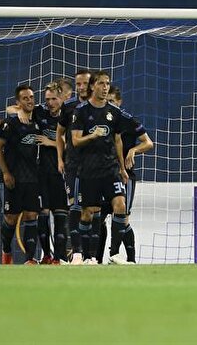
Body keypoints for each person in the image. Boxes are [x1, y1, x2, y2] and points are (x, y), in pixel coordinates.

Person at [71, 71, 130, 265]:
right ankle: (86, 256)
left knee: (120, 205)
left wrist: (122, 168)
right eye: (102, 84)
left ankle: (114, 254)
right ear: (93, 86)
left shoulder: (115, 112)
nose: (105, 87)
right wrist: (92, 136)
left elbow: (118, 140)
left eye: (107, 84)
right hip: (89, 170)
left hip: (110, 169)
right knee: (89, 213)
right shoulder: (81, 111)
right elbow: (75, 140)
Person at [102, 86, 153, 264]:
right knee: (98, 217)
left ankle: (129, 259)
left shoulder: (127, 120)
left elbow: (148, 143)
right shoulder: (101, 121)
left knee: (122, 218)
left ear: (120, 102)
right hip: (102, 174)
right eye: (107, 102)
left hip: (125, 175)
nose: (110, 106)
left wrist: (133, 149)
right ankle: (94, 259)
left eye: (113, 102)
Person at [0, 84, 42, 264]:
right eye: (25, 98)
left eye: (31, 97)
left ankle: (30, 259)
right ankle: (6, 251)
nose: (30, 100)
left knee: (31, 215)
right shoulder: (10, 123)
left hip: (32, 178)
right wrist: (6, 172)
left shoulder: (37, 121)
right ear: (18, 102)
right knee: (11, 218)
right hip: (13, 177)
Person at [57, 69, 91, 262]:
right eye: (78, 84)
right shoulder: (69, 106)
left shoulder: (98, 106)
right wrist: (60, 159)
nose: (81, 87)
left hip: (95, 167)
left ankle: (90, 256)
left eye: (84, 84)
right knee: (74, 206)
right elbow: (59, 133)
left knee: (91, 211)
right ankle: (76, 253)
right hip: (73, 164)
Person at [35, 82, 68, 263]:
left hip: (61, 173)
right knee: (43, 214)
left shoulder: (70, 117)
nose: (50, 103)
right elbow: (12, 109)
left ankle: (60, 257)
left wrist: (51, 142)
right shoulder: (40, 113)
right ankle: (46, 255)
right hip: (42, 173)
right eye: (47, 99)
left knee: (60, 215)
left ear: (62, 98)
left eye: (54, 99)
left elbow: (73, 143)